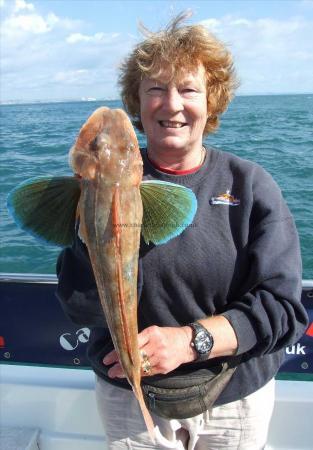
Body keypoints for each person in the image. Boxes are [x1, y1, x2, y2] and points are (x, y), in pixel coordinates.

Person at [56, 12, 308, 450]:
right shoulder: (94, 186)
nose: (172, 104)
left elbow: (284, 309)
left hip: (234, 396)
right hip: (129, 399)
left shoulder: (250, 185)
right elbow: (80, 307)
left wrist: (193, 341)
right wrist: (87, 226)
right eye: (156, 88)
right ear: (137, 101)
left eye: (188, 89)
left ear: (212, 101)